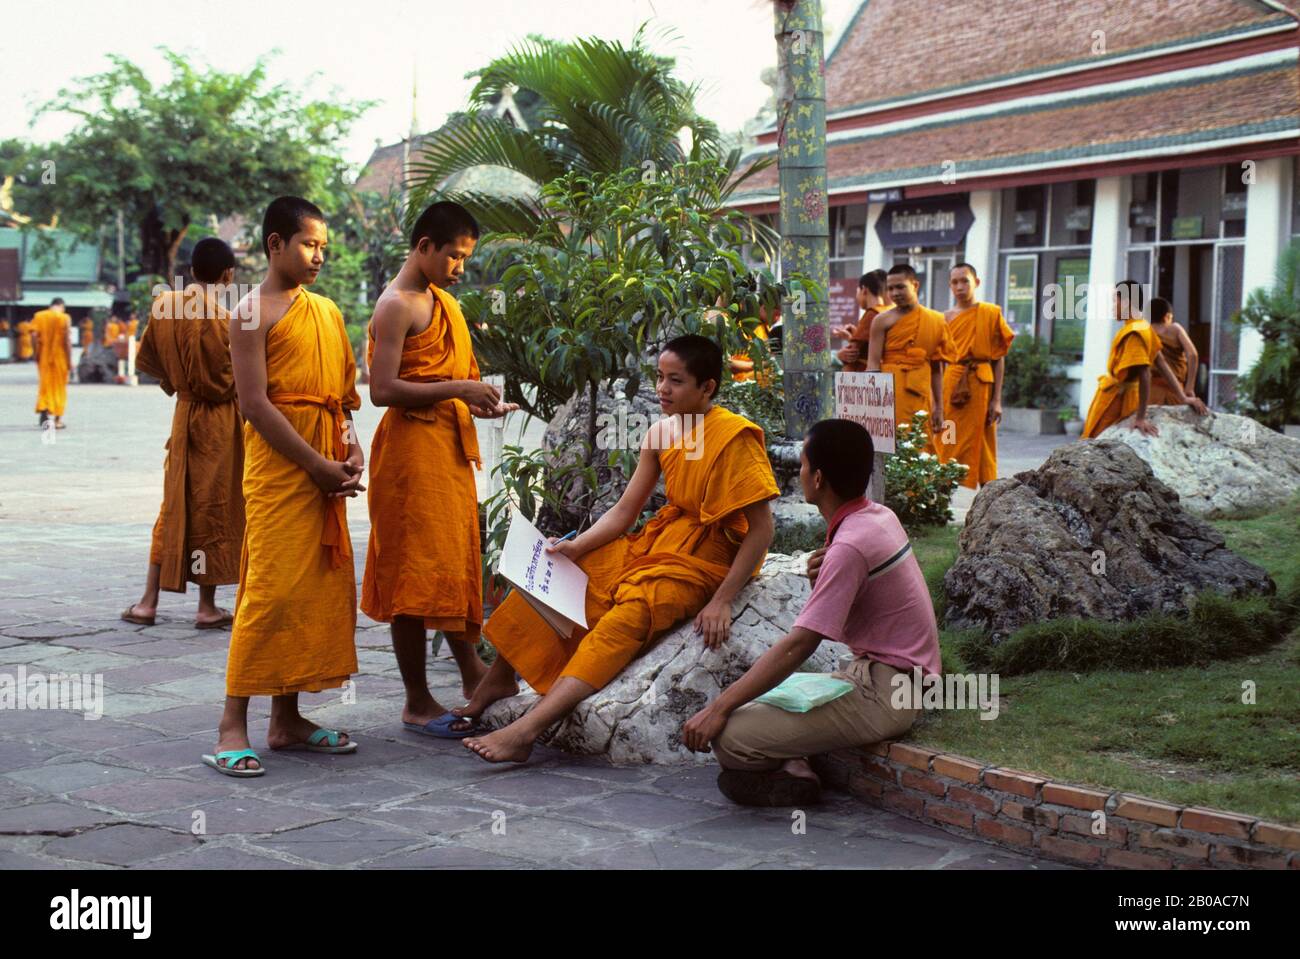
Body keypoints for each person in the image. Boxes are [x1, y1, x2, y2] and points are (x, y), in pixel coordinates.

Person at [456, 334, 781, 764]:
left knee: (623, 620)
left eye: (676, 381)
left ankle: (528, 729)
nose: (663, 389)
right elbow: (624, 512)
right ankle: (498, 678)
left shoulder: (734, 437)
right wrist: (575, 547)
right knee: (561, 576)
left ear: (708, 388)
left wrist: (722, 600)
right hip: (661, 540)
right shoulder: (662, 432)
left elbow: (762, 530)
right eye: (660, 378)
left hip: (705, 559)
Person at [682, 418, 940, 806]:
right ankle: (793, 764)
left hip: (889, 693)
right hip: (879, 675)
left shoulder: (850, 545)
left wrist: (717, 709)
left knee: (731, 736)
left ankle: (793, 771)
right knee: (754, 700)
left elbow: (798, 645)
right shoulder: (876, 517)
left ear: (817, 478)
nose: (798, 472)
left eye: (802, 463)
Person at [203, 196, 365, 777]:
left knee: (312, 591)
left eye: (324, 245)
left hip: (324, 460)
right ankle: (231, 725)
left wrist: (349, 447)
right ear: (275, 245)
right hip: (279, 471)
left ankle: (287, 719)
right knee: (268, 591)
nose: (319, 255)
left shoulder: (325, 311)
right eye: (308, 244)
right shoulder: (250, 312)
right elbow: (254, 405)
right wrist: (315, 466)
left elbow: (343, 395)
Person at [362, 201, 516, 740]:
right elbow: (383, 391)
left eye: (465, 258)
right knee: (411, 572)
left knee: (450, 563)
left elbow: (449, 378)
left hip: (447, 450)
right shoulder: (396, 305)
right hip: (409, 457)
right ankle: (416, 699)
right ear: (424, 246)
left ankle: (474, 672)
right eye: (453, 255)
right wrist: (459, 389)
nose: (459, 267)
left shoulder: (443, 303)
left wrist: (481, 403)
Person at [123, 238, 245, 630]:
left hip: (184, 414)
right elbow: (227, 381)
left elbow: (149, 359)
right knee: (213, 506)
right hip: (219, 423)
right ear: (228, 275)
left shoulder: (165, 306)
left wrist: (179, 382)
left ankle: (148, 602)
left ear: (192, 271)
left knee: (174, 504)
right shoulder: (224, 319)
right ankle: (207, 607)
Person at [1082, 282, 1207, 439]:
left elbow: (1145, 374)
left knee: (1096, 441)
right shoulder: (1143, 327)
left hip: (1119, 401)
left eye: (1115, 300)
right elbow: (1162, 364)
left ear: (1126, 302)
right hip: (1123, 395)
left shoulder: (1136, 331)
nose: (1112, 306)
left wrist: (1140, 418)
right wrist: (1183, 396)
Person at [935, 263, 1015, 488]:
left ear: (976, 283)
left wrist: (997, 400)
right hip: (952, 385)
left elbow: (998, 358)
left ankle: (989, 492)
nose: (960, 286)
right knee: (947, 437)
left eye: (965, 281)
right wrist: (936, 402)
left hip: (982, 384)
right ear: (950, 286)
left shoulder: (990, 313)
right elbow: (938, 362)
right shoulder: (944, 318)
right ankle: (942, 494)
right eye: (955, 282)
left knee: (983, 439)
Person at [866, 264, 955, 448]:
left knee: (921, 444)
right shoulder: (881, 320)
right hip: (890, 391)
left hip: (920, 391)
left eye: (900, 287)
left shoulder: (936, 320)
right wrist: (874, 405)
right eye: (890, 288)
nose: (895, 293)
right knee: (894, 445)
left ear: (915, 285)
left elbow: (937, 369)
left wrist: (939, 406)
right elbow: (873, 364)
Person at [1147, 296, 1199, 406]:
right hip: (1175, 392)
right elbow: (1192, 354)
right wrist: (1189, 387)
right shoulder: (1174, 329)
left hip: (1149, 392)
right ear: (1167, 316)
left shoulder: (1145, 332)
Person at [836, 270, 891, 372]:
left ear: (864, 290)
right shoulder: (888, 311)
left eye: (857, 291)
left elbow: (852, 353)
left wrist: (838, 355)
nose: (857, 296)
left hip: (862, 377)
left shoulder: (872, 314)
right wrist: (852, 336)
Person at [31, 298, 71, 429]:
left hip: (44, 356)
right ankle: (57, 420)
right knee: (59, 387)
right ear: (61, 306)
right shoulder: (64, 318)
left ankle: (44, 408)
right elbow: (67, 341)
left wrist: (35, 353)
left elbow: (33, 336)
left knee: (45, 385)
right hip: (60, 357)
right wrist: (70, 360)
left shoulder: (39, 316)